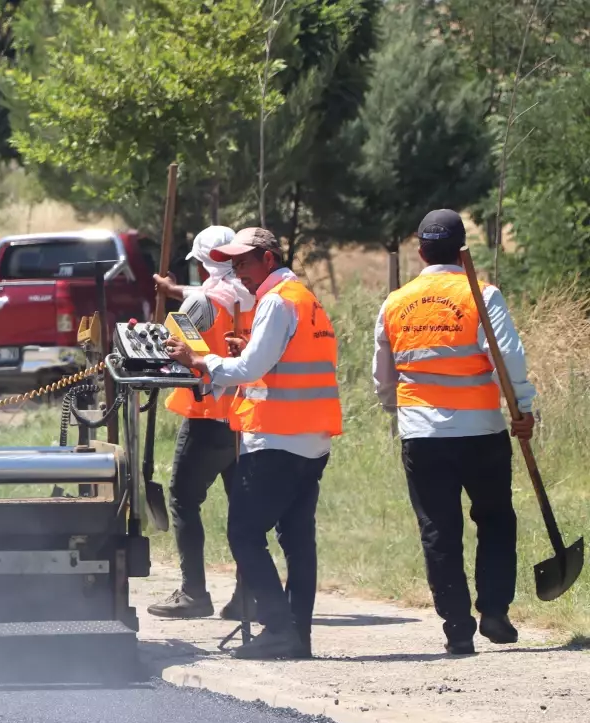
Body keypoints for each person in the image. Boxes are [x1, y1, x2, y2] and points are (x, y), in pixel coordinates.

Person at [166, 227, 342, 660]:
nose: (238, 272)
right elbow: (283, 358)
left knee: (244, 533)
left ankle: (279, 629)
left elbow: (248, 369)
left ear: (267, 259)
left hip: (278, 437)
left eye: (243, 262)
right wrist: (247, 349)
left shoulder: (277, 301)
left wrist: (199, 360)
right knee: (298, 540)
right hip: (311, 438)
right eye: (233, 263)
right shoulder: (304, 297)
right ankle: (297, 635)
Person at [372, 209, 536, 656]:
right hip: (482, 431)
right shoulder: (481, 295)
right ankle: (496, 611)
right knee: (496, 519)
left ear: (420, 249)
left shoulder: (395, 303)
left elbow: (384, 379)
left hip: (422, 436)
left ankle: (458, 628)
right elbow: (510, 361)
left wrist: (402, 410)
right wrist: (523, 409)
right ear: (464, 249)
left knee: (438, 530)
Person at [145, 226, 258, 620]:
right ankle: (248, 594)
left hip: (207, 414)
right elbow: (209, 297)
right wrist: (174, 291)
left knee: (182, 498)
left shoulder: (204, 301)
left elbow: (170, 346)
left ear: (203, 262)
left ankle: (194, 592)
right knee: (243, 508)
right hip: (245, 417)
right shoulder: (253, 293)